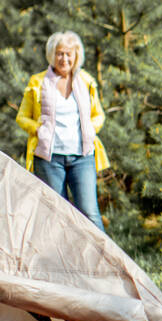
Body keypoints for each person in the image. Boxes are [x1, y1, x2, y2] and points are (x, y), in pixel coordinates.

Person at [16, 31, 110, 230]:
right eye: (59, 53)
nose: (64, 59)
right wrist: (38, 129)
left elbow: (98, 115)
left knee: (89, 212)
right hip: (50, 160)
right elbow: (21, 117)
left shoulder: (86, 81)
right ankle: (59, 261)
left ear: (76, 56)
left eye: (69, 54)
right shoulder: (38, 82)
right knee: (56, 215)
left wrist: (91, 130)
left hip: (82, 158)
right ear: (52, 55)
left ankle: (102, 260)